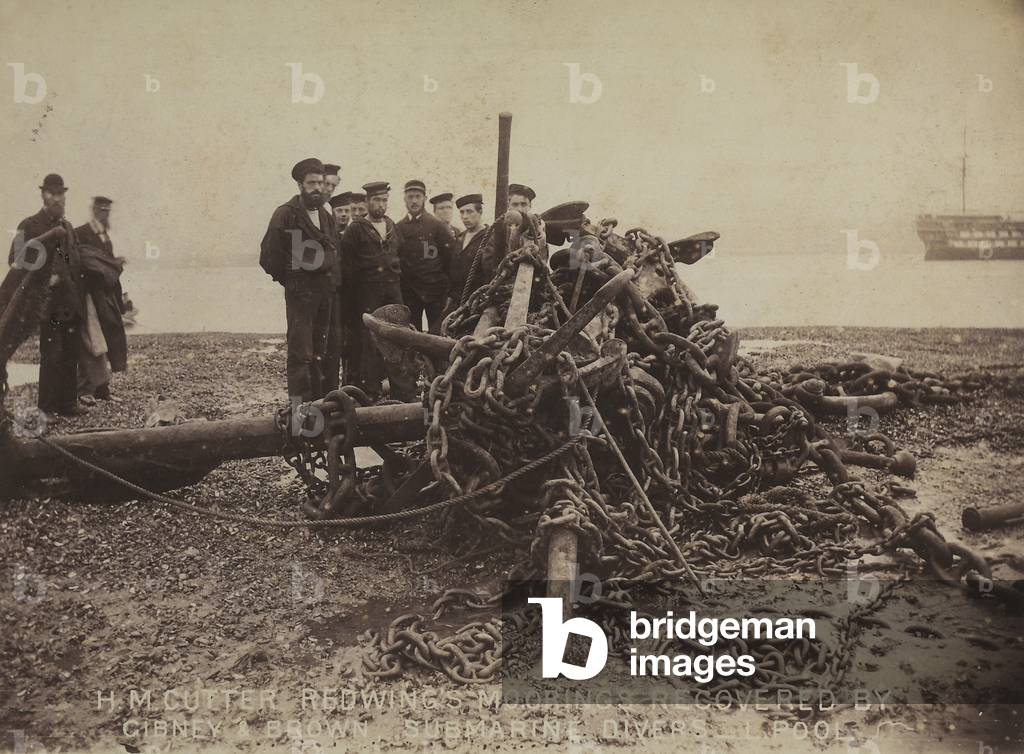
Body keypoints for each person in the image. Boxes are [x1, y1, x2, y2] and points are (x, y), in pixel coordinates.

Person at [259, 157, 338, 403]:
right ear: (300, 185)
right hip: (300, 296)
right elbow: (269, 256)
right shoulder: (286, 214)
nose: (317, 188)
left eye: (321, 183)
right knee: (300, 357)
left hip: (325, 295)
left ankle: (320, 414)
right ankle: (300, 419)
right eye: (311, 183)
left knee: (320, 354)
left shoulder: (326, 216)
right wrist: (292, 280)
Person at [8, 174, 87, 418]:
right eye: (52, 193)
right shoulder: (29, 225)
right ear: (43, 195)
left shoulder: (69, 227)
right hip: (46, 302)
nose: (58, 198)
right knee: (52, 354)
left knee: (71, 352)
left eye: (61, 193)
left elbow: (74, 261)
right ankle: (48, 407)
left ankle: (67, 403)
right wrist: (44, 277)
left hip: (70, 301)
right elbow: (15, 259)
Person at [338, 181, 408, 399]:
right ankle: (371, 390)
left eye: (384, 200)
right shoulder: (356, 229)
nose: (381, 205)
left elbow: (400, 254)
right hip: (367, 292)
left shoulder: (391, 225)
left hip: (393, 289)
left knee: (398, 335)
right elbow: (347, 268)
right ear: (367, 202)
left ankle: (402, 389)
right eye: (376, 200)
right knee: (369, 339)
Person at [75, 196, 128, 403]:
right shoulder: (82, 233)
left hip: (106, 296)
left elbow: (108, 267)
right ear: (95, 210)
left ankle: (103, 390)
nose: (106, 214)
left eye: (108, 211)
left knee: (107, 339)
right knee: (91, 342)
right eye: (102, 210)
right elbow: (84, 263)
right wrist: (112, 265)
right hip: (90, 296)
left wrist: (113, 267)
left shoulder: (105, 236)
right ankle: (85, 390)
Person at [395, 180, 454, 334]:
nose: (414, 201)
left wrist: (445, 287)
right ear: (404, 199)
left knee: (437, 333)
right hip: (410, 294)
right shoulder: (398, 227)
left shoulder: (436, 225)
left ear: (424, 198)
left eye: (418, 196)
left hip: (434, 292)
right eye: (410, 197)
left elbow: (449, 259)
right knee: (411, 334)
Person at [478, 183, 548, 283]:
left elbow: (543, 259)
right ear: (509, 206)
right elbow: (488, 263)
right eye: (515, 204)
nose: (519, 209)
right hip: (504, 285)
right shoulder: (498, 230)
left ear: (530, 206)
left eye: (523, 204)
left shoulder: (538, 230)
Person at [323, 192, 354, 394]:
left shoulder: (354, 232)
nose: (344, 215)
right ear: (333, 212)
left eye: (347, 211)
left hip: (352, 296)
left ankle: (350, 387)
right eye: (340, 211)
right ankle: (329, 388)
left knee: (352, 344)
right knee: (333, 344)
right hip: (333, 296)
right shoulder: (328, 234)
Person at [445, 193, 489, 313]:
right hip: (457, 301)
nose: (465, 216)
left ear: (480, 212)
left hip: (478, 303)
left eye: (469, 211)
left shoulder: (489, 237)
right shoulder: (460, 238)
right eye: (462, 212)